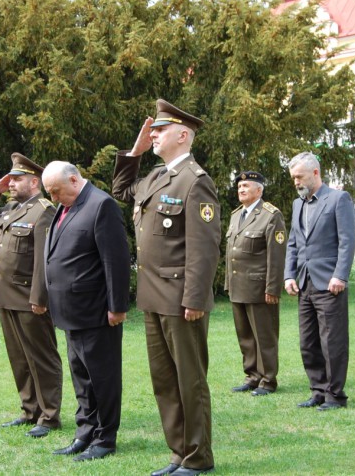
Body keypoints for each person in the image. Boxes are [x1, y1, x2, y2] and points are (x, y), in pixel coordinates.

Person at [113, 99, 221, 476]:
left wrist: (195, 298)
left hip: (180, 298)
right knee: (164, 381)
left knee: (190, 380)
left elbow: (204, 248)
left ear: (182, 135)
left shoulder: (196, 180)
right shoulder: (158, 176)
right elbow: (122, 190)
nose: (153, 134)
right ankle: (179, 452)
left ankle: (198, 457)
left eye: (160, 130)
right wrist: (135, 153)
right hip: (153, 295)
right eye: (153, 130)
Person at [42, 161, 130, 461]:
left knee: (102, 378)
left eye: (56, 191)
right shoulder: (64, 206)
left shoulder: (101, 205)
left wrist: (117, 306)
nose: (53, 197)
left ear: (73, 179)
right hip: (71, 312)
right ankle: (85, 432)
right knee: (81, 378)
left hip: (96, 312)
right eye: (50, 192)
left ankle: (105, 438)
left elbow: (115, 260)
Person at [0, 152, 62, 438]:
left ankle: (49, 416)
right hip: (7, 297)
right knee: (20, 358)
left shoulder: (44, 211)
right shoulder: (12, 209)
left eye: (16, 179)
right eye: (10, 178)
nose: (10, 183)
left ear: (34, 182)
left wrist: (39, 297)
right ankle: (29, 410)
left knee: (41, 358)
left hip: (29, 299)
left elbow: (43, 260)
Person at [283, 152, 355, 411]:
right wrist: (289, 275)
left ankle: (335, 395)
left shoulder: (338, 199)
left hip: (329, 283)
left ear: (315, 173)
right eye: (293, 178)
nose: (296, 182)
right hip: (305, 282)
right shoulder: (298, 204)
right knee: (308, 342)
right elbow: (293, 243)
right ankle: (318, 390)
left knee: (332, 341)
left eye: (300, 176)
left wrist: (340, 275)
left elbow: (347, 241)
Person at [225, 171, 286, 396]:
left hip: (259, 288)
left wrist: (273, 288)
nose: (241, 190)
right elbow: (231, 253)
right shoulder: (236, 215)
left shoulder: (271, 215)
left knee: (264, 336)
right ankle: (252, 376)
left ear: (259, 190)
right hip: (238, 286)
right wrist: (228, 283)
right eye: (239, 186)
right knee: (245, 336)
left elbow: (276, 256)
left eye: (246, 186)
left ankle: (268, 380)